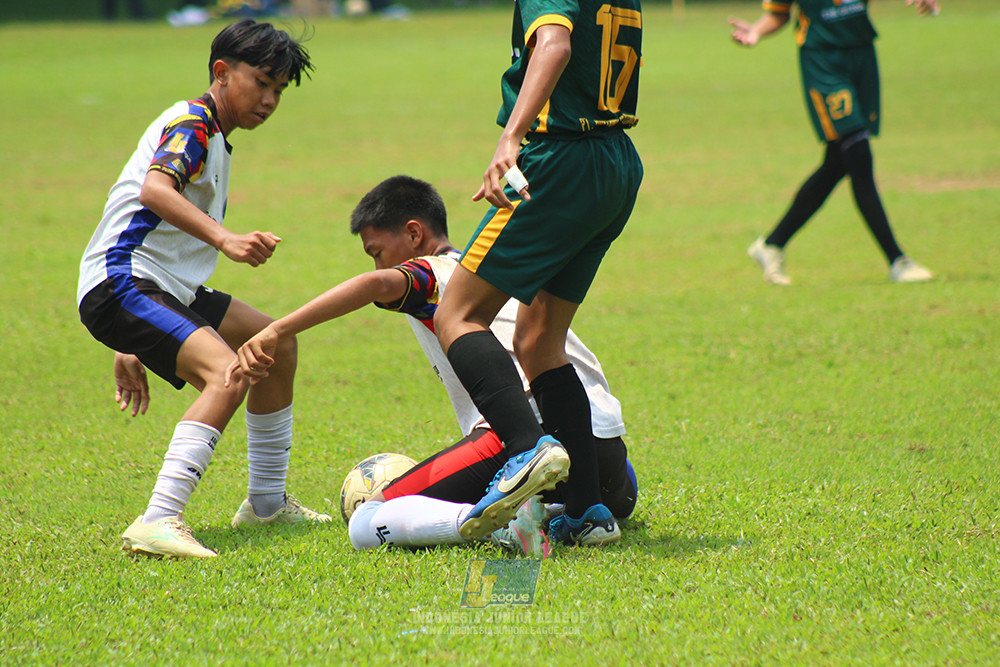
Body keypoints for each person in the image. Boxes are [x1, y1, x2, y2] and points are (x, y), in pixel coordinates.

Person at [225, 176, 638, 554]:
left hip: (526, 435)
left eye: (377, 253)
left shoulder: (433, 273)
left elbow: (374, 285)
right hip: (609, 455)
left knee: (367, 521)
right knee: (596, 485)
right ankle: (576, 512)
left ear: (414, 233)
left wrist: (276, 330)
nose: (378, 265)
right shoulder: (496, 270)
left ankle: (487, 523)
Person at [77, 20, 329, 560]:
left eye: (279, 90)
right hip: (124, 278)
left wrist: (135, 338)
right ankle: (159, 519)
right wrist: (226, 238)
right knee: (228, 371)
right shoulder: (194, 124)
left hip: (163, 286)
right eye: (261, 82)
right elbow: (154, 189)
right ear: (222, 72)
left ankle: (265, 503)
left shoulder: (212, 133)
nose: (269, 100)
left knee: (274, 341)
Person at [429, 0, 644, 547]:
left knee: (458, 313)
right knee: (538, 338)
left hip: (560, 160)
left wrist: (511, 136)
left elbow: (555, 44)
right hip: (615, 162)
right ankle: (587, 510)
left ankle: (527, 449)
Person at [731, 0, 939, 285]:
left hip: (862, 53)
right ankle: (897, 260)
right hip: (823, 61)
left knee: (838, 161)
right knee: (858, 152)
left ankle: (771, 245)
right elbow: (779, 14)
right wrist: (756, 31)